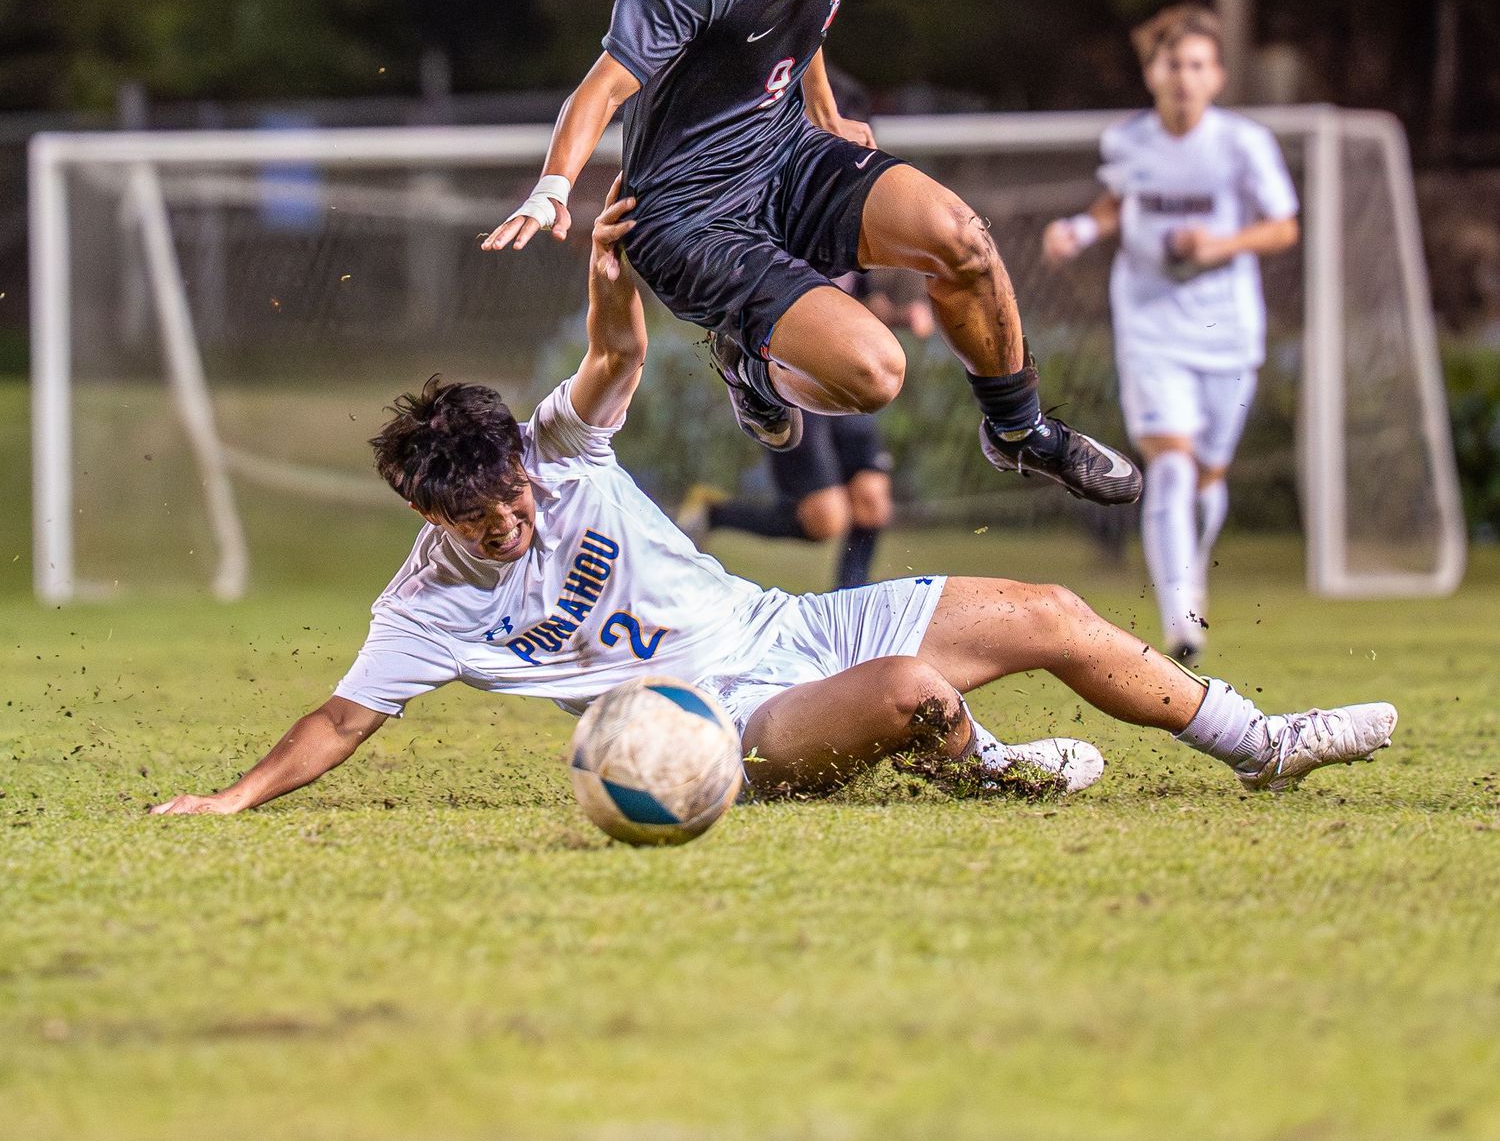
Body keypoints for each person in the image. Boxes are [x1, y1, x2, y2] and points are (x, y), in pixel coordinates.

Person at [152, 186, 1393, 818]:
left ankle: (1258, 745)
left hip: (793, 631)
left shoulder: (556, 450)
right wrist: (231, 796)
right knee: (920, 695)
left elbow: (615, 361)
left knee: (1056, 610)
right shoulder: (423, 606)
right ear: (435, 521)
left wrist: (609, 271)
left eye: (518, 501)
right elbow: (337, 720)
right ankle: (986, 767)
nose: (514, 526)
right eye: (486, 528)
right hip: (725, 725)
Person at [481, 0, 1141, 510]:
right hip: (690, 220)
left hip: (784, 155)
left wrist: (821, 107)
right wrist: (552, 190)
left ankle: (1021, 433)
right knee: (873, 375)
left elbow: (800, 15)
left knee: (964, 240)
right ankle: (753, 369)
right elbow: (604, 83)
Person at [1043, 6, 1301, 664]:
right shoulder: (1129, 141)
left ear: (1215, 76)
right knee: (1171, 464)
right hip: (1151, 323)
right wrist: (1080, 228)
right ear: (1152, 73)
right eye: (1172, 64)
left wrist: (1219, 245)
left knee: (1208, 476)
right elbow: (1118, 202)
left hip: (1227, 328)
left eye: (1196, 65)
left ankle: (1194, 558)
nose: (1183, 78)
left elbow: (1283, 226)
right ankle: (1182, 620)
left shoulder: (1242, 144)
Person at [678, 270, 931, 591]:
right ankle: (715, 513)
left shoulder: (844, 242)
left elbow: (866, 303)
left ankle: (848, 602)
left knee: (873, 501)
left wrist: (903, 315)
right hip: (793, 388)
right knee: (827, 519)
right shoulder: (776, 243)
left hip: (844, 383)